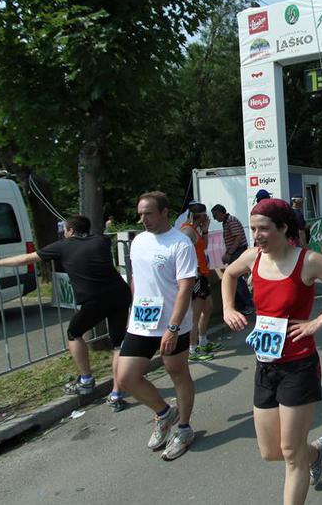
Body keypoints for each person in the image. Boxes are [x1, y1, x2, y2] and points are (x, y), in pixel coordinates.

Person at [223, 198, 322, 505]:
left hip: (299, 365)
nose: (256, 236)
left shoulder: (309, 261)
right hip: (265, 363)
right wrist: (229, 307)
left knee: (290, 454)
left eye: (263, 229)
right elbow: (229, 274)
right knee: (271, 451)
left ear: (283, 228)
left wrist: (317, 322)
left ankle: (304, 458)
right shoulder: (253, 257)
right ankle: (316, 452)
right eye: (253, 229)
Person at [0, 215, 131, 410]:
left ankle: (86, 380)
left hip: (95, 299)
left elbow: (26, 259)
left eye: (65, 230)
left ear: (69, 230)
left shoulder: (62, 246)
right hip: (120, 294)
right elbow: (96, 237)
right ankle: (116, 394)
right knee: (118, 343)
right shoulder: (102, 240)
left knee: (74, 332)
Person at [116, 191, 198, 461]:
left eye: (149, 213)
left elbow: (185, 288)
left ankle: (184, 429)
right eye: (140, 214)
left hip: (172, 324)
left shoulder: (180, 243)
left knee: (177, 373)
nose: (143, 219)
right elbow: (137, 279)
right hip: (142, 321)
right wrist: (133, 307)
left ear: (164, 212)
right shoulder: (138, 241)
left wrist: (173, 328)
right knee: (126, 377)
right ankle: (164, 413)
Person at [179, 202, 221, 363]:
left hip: (202, 273)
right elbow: (182, 253)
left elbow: (204, 246)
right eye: (205, 215)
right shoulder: (187, 230)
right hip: (195, 275)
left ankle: (203, 341)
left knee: (208, 307)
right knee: (195, 314)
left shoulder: (196, 229)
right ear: (201, 216)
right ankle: (192, 348)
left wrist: (205, 230)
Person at [212, 204, 254, 315]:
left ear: (221, 212)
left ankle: (248, 305)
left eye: (215, 215)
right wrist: (228, 253)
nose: (215, 218)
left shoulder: (231, 221)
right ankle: (241, 305)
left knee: (237, 278)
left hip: (238, 251)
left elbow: (238, 238)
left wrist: (229, 253)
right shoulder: (226, 222)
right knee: (235, 278)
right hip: (235, 251)